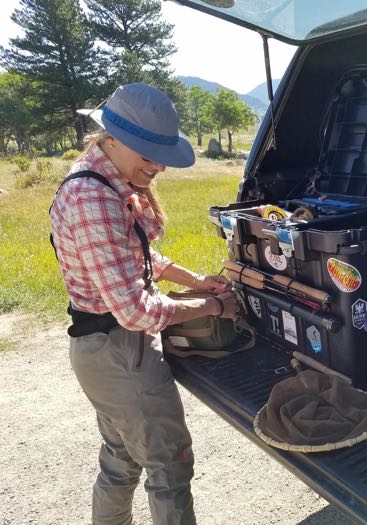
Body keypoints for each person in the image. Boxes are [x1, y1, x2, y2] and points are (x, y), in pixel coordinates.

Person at [50, 82, 235, 525]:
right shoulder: (93, 198)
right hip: (119, 350)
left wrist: (195, 281)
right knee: (169, 466)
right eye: (148, 153)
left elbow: (135, 254)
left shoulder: (105, 181)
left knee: (121, 459)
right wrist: (214, 308)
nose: (158, 167)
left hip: (102, 350)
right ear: (110, 138)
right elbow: (135, 312)